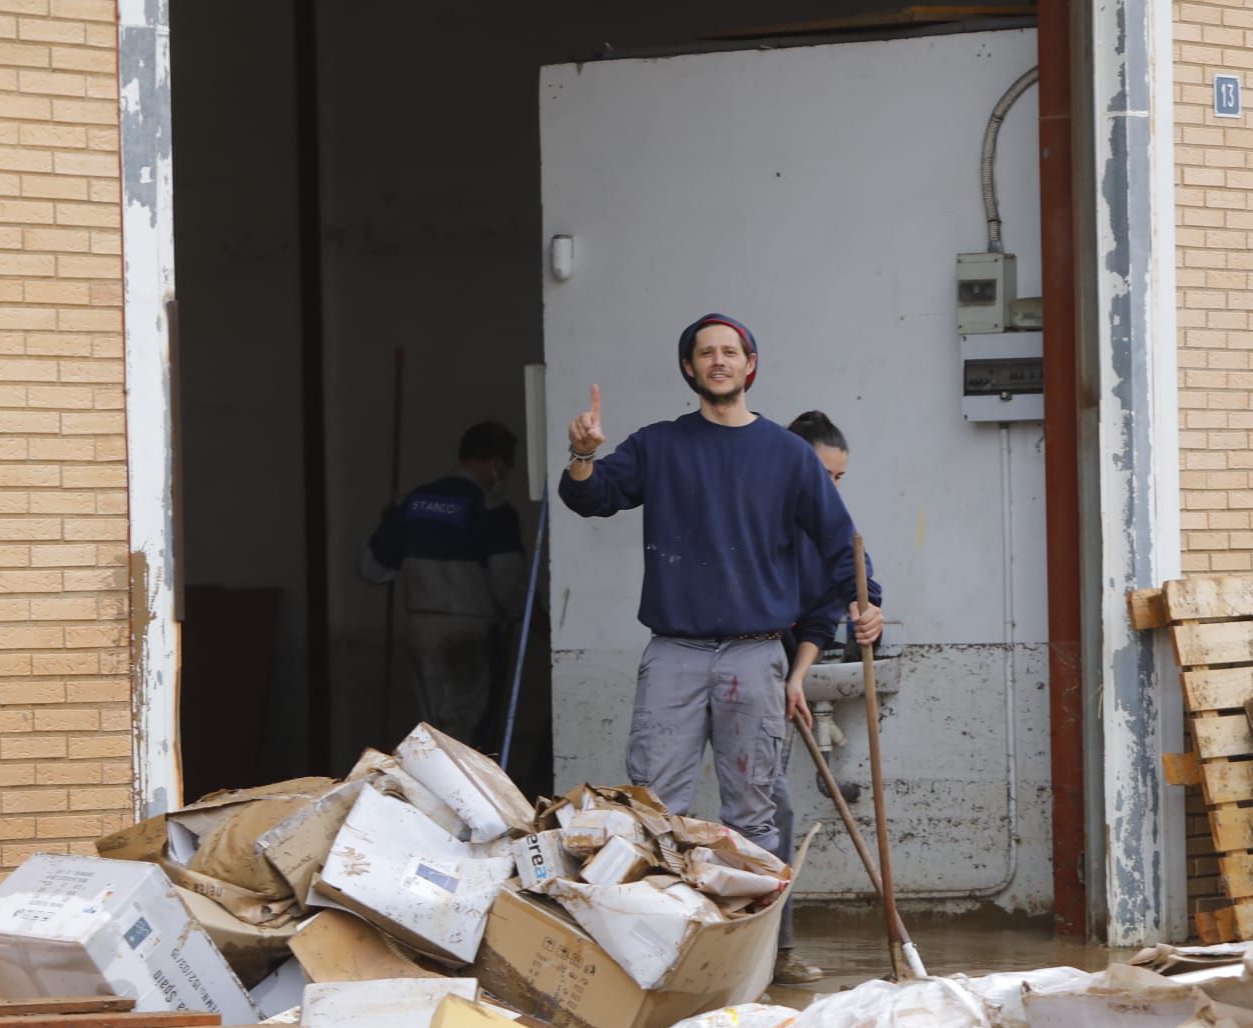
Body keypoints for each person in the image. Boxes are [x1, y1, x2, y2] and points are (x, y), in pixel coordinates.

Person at [558, 314, 882, 931]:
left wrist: (869, 603)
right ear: (689, 368)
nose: (718, 361)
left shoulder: (788, 456)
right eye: (705, 353)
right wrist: (582, 454)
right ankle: (662, 942)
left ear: (749, 365)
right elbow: (591, 497)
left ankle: (753, 954)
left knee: (753, 815)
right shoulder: (659, 445)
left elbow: (842, 542)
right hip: (674, 653)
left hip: (754, 655)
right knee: (655, 811)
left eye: (729, 352)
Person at [768, 410, 882, 985]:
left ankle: (775, 950)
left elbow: (842, 600)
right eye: (823, 475)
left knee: (773, 812)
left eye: (839, 479)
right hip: (730, 662)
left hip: (781, 676)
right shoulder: (754, 518)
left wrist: (867, 613)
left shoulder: (831, 530)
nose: (831, 490)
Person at [361, 421, 524, 745]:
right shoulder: (493, 509)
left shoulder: (412, 503)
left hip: (421, 629)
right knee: (471, 735)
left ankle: (436, 793)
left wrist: (387, 521)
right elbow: (510, 585)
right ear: (498, 463)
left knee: (434, 729)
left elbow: (372, 569)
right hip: (474, 633)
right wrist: (525, 618)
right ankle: (465, 795)